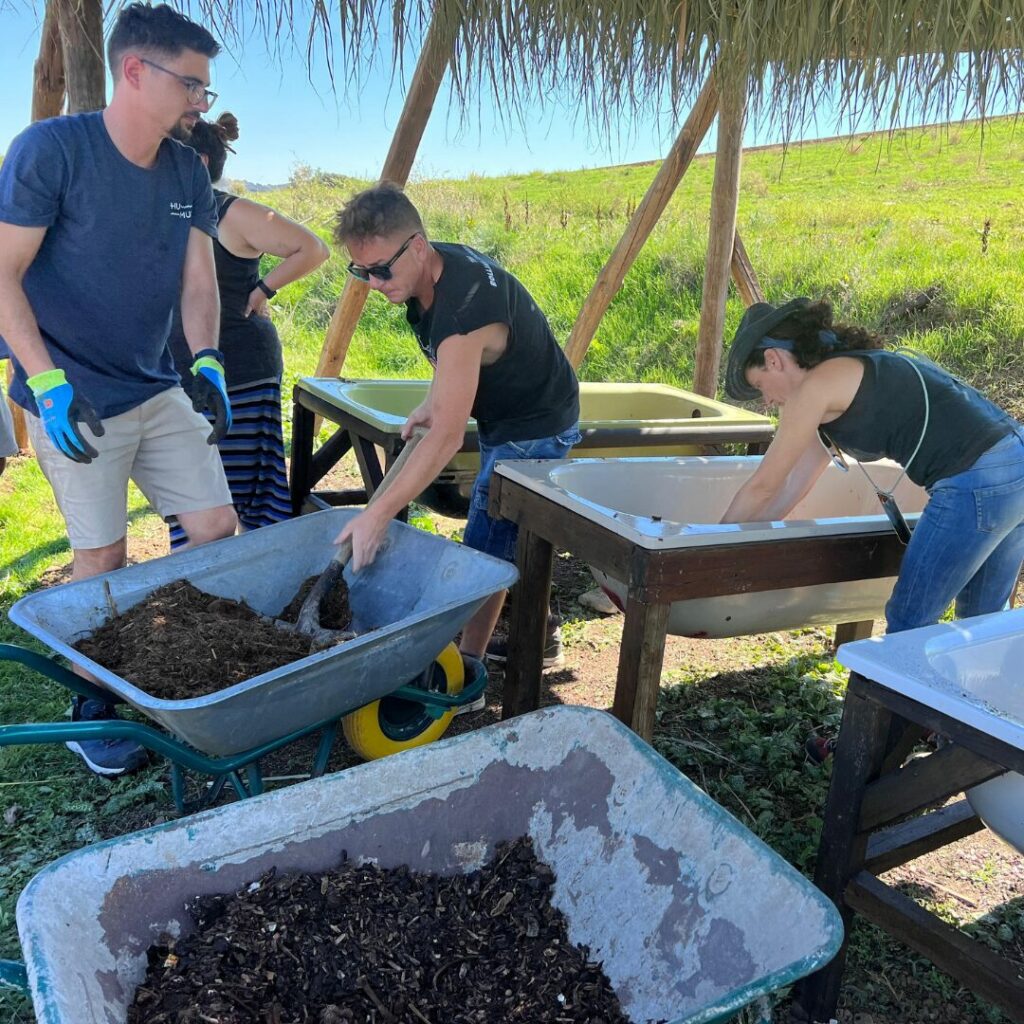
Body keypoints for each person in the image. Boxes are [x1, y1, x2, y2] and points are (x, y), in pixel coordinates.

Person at [0, 3, 238, 776]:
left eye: (205, 87)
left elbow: (198, 281)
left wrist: (206, 359)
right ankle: (90, 702)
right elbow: (3, 273)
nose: (202, 103)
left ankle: (164, 646)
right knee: (99, 556)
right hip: (75, 396)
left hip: (154, 384)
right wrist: (45, 380)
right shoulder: (51, 152)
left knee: (214, 526)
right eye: (192, 85)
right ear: (135, 72)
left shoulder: (185, 171)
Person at [721, 297, 1024, 759]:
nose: (767, 400)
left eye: (760, 386)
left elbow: (762, 486)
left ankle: (867, 752)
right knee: (979, 624)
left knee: (908, 623)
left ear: (774, 359)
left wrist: (706, 544)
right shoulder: (840, 382)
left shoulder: (815, 388)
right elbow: (788, 490)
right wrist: (743, 540)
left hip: (976, 478)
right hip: (1014, 462)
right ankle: (963, 748)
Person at [333, 183, 581, 707]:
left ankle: (467, 674)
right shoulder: (428, 275)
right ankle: (516, 635)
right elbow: (451, 368)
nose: (374, 283)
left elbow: (446, 436)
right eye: (362, 272)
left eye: (381, 269)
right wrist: (433, 398)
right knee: (502, 530)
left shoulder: (464, 309)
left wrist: (377, 515)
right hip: (504, 413)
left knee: (487, 541)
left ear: (418, 245)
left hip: (536, 422)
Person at [166, 113, 330, 548]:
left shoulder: (230, 213)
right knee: (188, 499)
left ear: (198, 163)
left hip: (239, 371)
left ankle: (264, 593)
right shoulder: (165, 215)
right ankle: (197, 600)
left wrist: (263, 289)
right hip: (177, 376)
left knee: (247, 498)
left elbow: (313, 247)